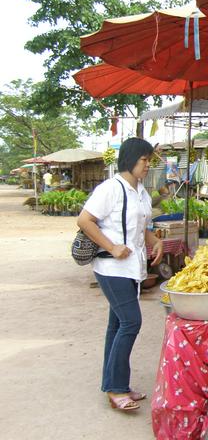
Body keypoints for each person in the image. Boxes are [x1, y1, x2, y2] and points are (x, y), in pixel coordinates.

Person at [77, 138, 163, 411]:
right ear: (130, 159)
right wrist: (112, 247)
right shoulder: (110, 189)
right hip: (111, 268)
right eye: (144, 160)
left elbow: (140, 227)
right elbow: (84, 220)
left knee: (117, 326)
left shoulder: (141, 192)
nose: (148, 165)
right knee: (131, 323)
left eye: (149, 160)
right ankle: (116, 388)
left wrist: (154, 241)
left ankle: (115, 384)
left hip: (132, 269)